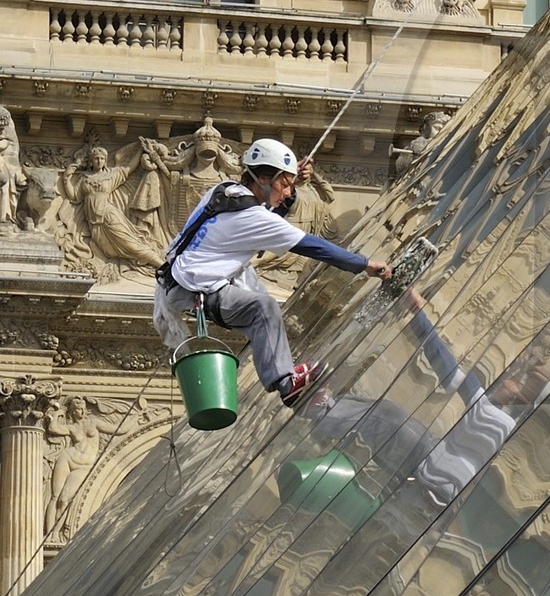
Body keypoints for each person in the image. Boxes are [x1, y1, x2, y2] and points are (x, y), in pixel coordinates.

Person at [152, 136, 391, 405]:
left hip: (179, 281)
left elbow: (264, 218)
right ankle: (288, 386)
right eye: (284, 184)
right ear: (263, 179)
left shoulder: (224, 191)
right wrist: (364, 264)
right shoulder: (253, 217)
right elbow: (313, 246)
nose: (289, 192)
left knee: (258, 302)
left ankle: (291, 382)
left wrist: (292, 181)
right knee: (263, 308)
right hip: (197, 291)